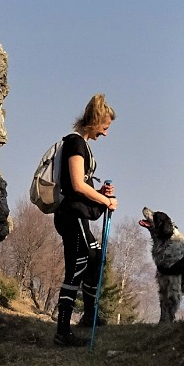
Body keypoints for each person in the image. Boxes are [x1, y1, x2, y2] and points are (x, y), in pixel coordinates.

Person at [53, 93, 117, 347]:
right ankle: (62, 333)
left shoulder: (79, 144)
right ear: (95, 121)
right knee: (77, 268)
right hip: (72, 216)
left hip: (78, 215)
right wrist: (105, 202)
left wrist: (100, 194)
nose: (105, 133)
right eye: (105, 127)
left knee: (95, 259)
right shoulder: (75, 143)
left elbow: (79, 184)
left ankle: (90, 317)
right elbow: (77, 185)